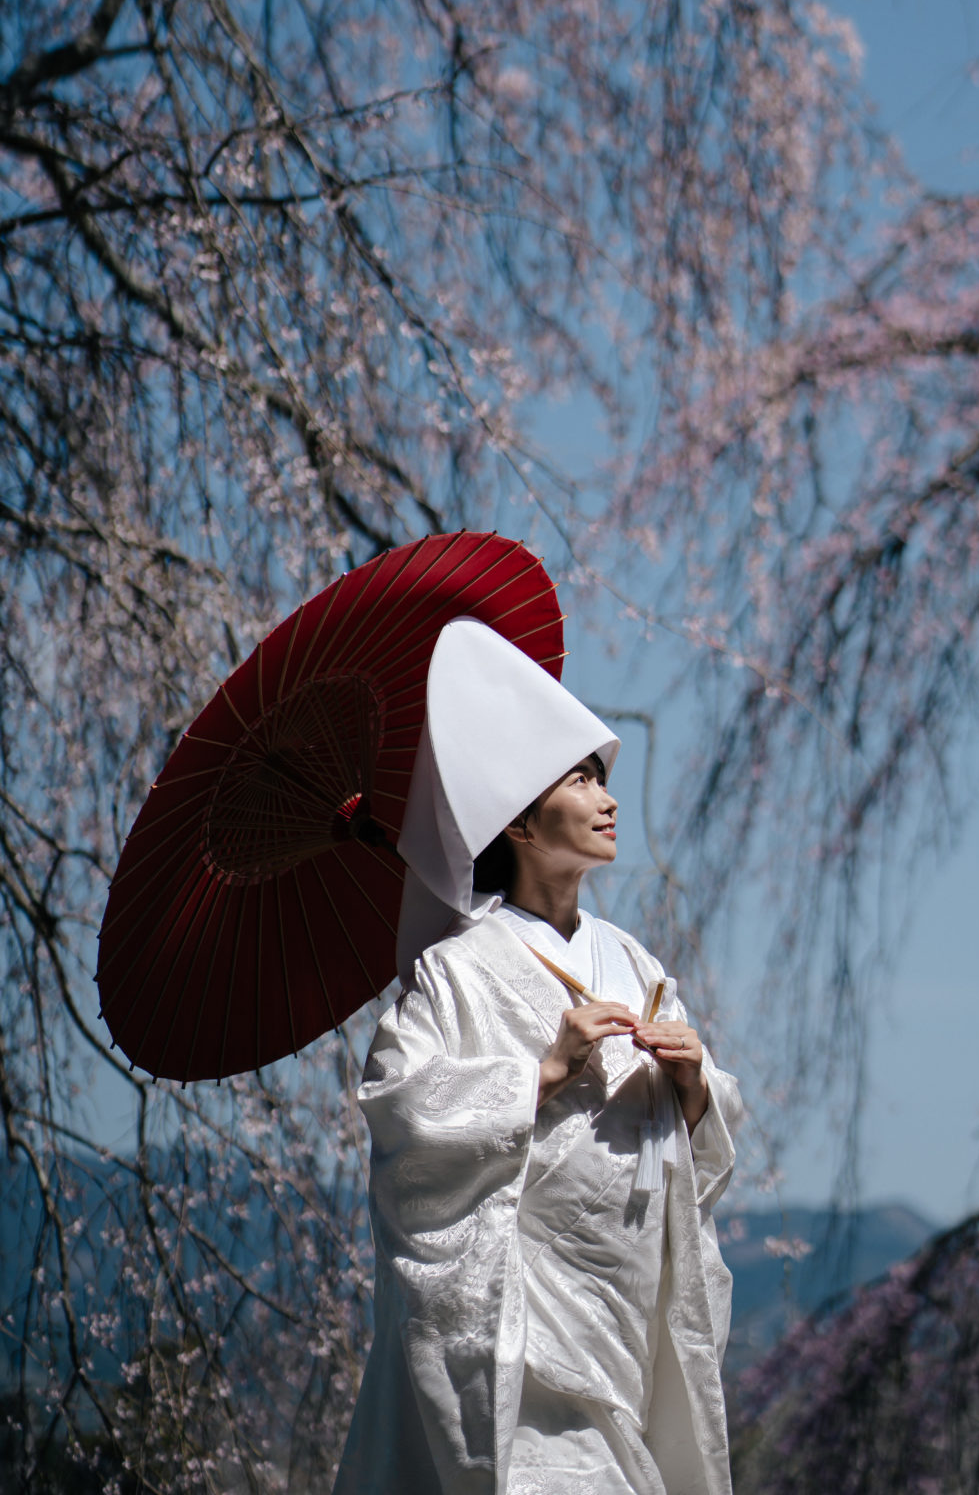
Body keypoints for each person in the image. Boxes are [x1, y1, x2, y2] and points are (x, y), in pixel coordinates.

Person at [333, 617, 741, 1494]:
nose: (607, 798)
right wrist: (540, 1073)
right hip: (525, 1318)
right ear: (517, 817)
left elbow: (705, 1131)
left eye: (605, 777)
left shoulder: (633, 961)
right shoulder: (455, 972)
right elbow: (403, 1112)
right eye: (581, 777)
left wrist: (692, 1085)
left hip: (625, 1312)